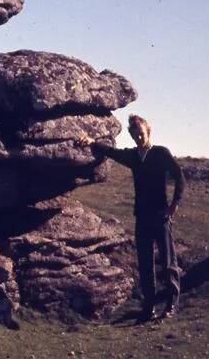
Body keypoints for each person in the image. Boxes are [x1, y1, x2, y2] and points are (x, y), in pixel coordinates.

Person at [77, 114, 185, 321]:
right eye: (135, 135)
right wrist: (92, 142)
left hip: (161, 216)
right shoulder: (133, 156)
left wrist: (174, 205)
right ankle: (149, 307)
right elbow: (111, 152)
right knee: (145, 263)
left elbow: (179, 177)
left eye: (141, 134)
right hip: (141, 216)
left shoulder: (161, 153)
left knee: (168, 261)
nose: (138, 139)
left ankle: (172, 304)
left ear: (148, 131)